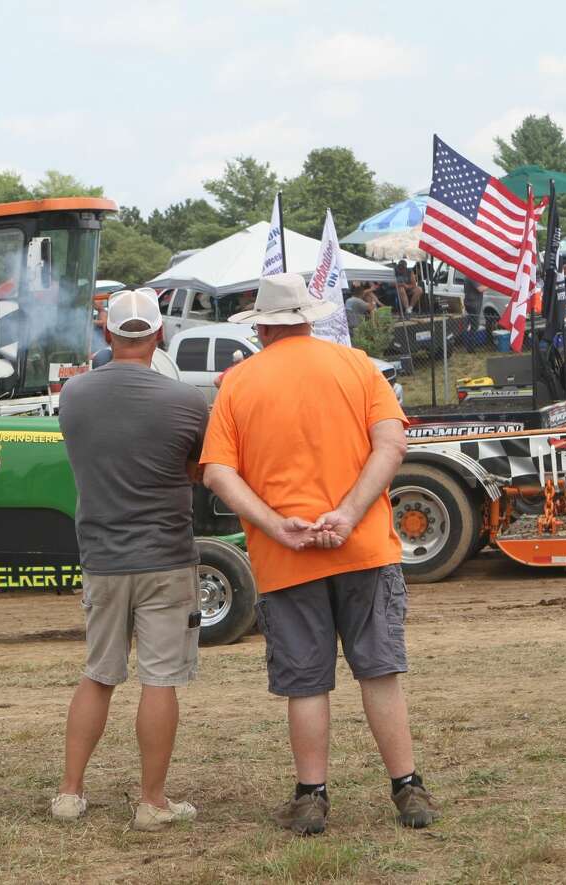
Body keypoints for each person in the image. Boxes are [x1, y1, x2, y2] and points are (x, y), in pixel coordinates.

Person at [201, 272, 437, 837]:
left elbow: (217, 472)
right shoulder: (357, 366)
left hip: (287, 557)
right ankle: (408, 789)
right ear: (309, 318)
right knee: (380, 672)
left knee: (306, 683)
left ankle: (312, 798)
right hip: (363, 546)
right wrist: (351, 513)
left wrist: (277, 526)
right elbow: (392, 444)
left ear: (260, 326)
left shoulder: (238, 382)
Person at [53, 288, 208, 832]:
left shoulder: (74, 395)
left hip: (101, 554)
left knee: (98, 674)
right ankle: (152, 802)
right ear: (160, 334)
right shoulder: (187, 402)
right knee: (159, 680)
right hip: (166, 554)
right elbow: (196, 468)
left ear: (107, 333)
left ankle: (70, 792)